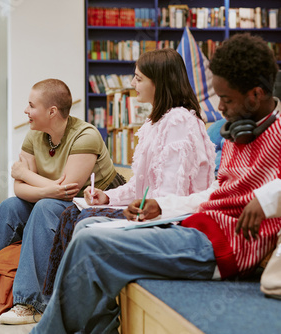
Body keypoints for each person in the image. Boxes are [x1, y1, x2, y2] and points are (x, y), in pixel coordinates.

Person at [31, 33, 281, 333]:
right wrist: (160, 205)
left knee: (90, 241)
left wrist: (266, 199)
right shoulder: (237, 134)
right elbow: (211, 193)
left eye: (226, 100)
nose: (221, 110)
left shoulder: (275, 135)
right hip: (200, 229)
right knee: (87, 230)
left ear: (255, 95)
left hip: (222, 248)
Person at [43, 48, 216, 295]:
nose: (133, 83)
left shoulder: (180, 121)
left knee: (82, 220)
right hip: (153, 210)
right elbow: (141, 186)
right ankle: (61, 302)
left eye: (139, 78)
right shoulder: (155, 122)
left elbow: (167, 195)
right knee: (71, 214)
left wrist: (137, 207)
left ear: (160, 82)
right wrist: (107, 197)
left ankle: (72, 305)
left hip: (171, 219)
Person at [0, 79, 125, 324]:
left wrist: (25, 174)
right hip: (56, 200)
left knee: (45, 208)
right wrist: (48, 188)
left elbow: (67, 191)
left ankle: (31, 303)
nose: (26, 111)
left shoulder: (85, 136)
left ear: (52, 111)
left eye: (31, 105)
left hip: (93, 203)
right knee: (10, 207)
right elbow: (20, 190)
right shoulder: (34, 135)